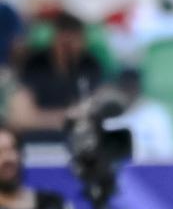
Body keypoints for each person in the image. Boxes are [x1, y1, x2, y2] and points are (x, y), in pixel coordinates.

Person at [7, 12, 103, 144]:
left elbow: (95, 111)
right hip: (37, 142)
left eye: (73, 42)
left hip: (78, 142)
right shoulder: (34, 66)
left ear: (83, 42)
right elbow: (21, 118)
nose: (68, 49)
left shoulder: (90, 66)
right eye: (64, 43)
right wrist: (66, 116)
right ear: (55, 40)